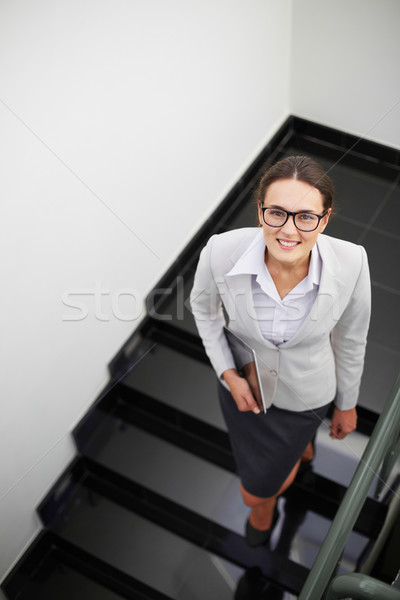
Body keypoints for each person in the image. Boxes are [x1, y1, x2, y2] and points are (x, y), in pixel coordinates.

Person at [190, 155, 371, 547]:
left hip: (305, 396)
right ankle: (286, 476)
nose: (289, 230)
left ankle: (270, 498)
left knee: (255, 491)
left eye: (306, 216)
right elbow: (203, 312)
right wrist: (228, 374)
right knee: (263, 481)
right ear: (260, 212)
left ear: (324, 220)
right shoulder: (221, 251)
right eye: (277, 213)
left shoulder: (353, 262)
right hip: (246, 393)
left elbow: (352, 339)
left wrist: (347, 404)